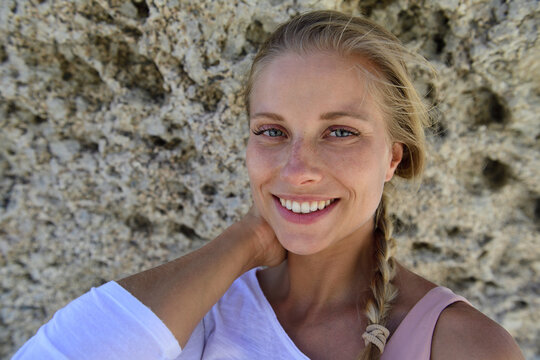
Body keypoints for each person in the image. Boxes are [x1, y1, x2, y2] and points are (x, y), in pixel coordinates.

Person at [13, 10, 523, 360]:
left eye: (340, 132)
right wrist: (247, 241)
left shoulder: (460, 345)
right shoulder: (200, 313)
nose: (298, 168)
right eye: (273, 132)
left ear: (392, 157)